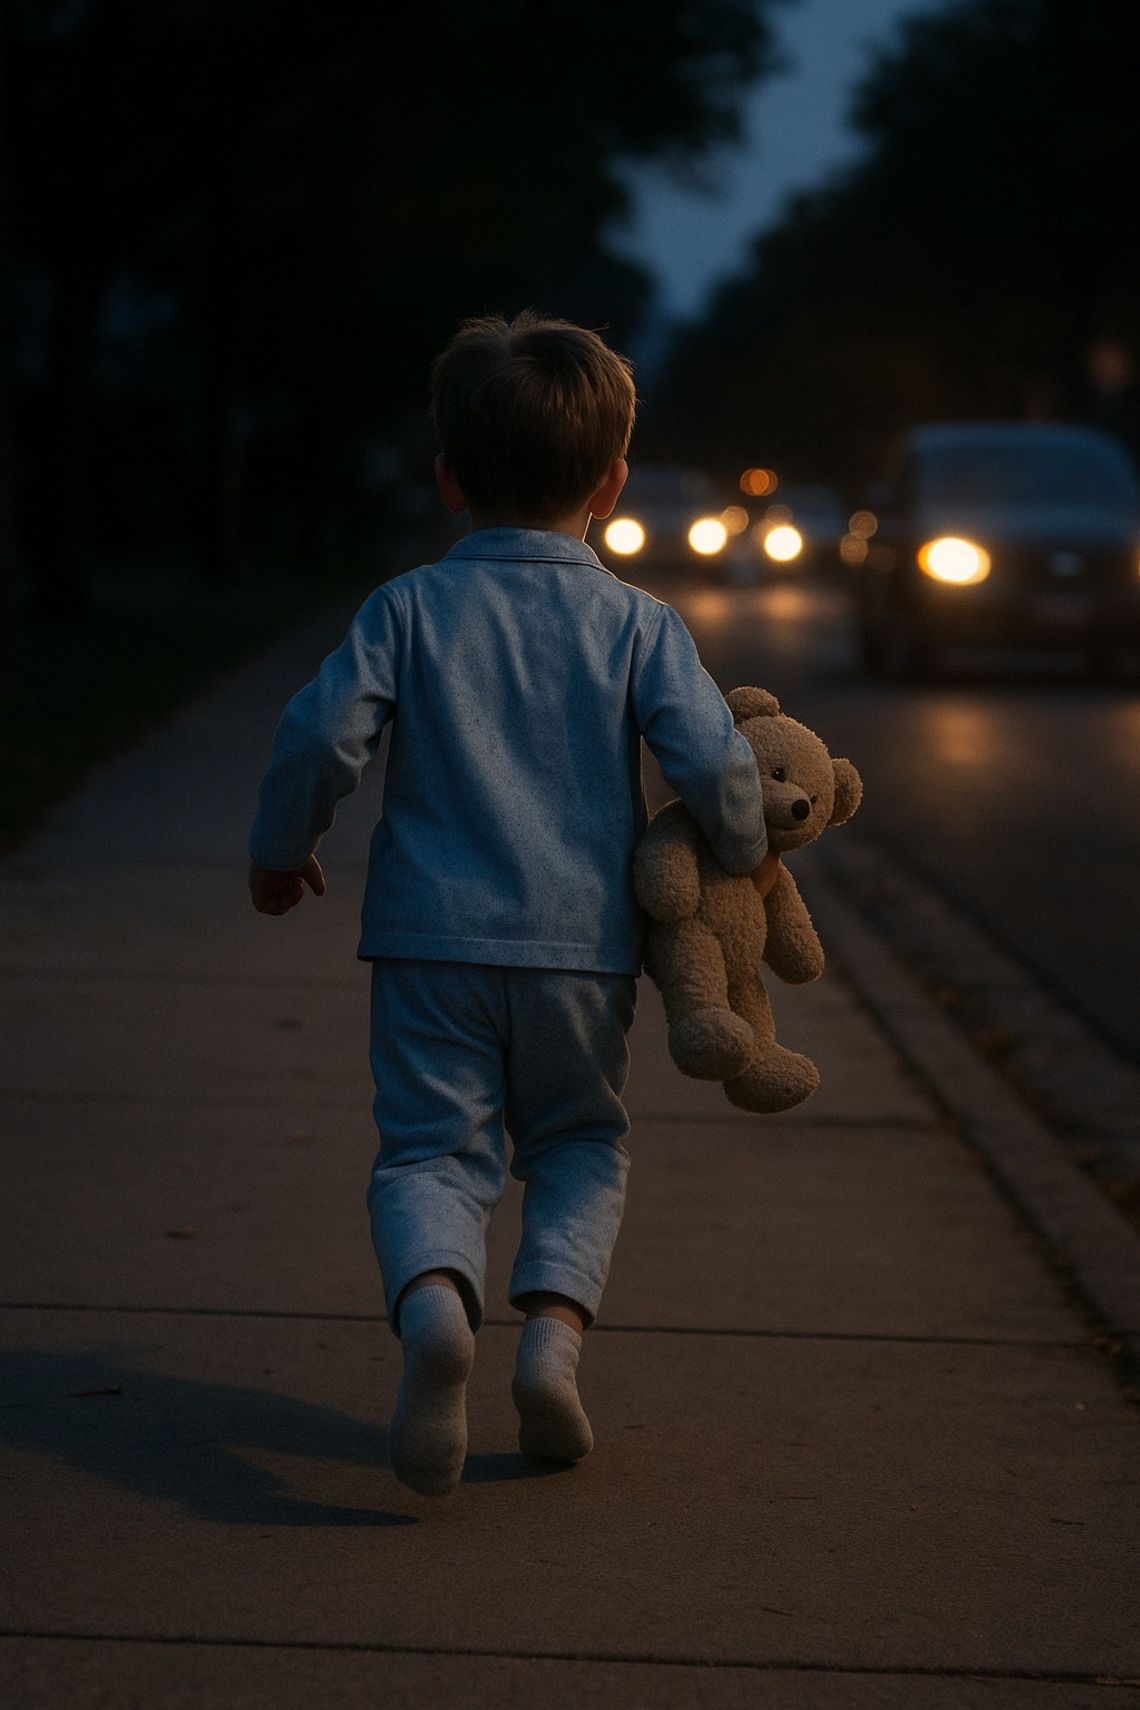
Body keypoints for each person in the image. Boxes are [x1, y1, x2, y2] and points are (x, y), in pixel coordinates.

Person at [247, 311, 773, 1498]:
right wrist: (741, 848)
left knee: (432, 1151)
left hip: (431, 943)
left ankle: (437, 1306)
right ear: (612, 483)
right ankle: (551, 1342)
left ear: (446, 481)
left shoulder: (405, 610)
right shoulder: (638, 624)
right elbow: (712, 763)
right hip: (583, 953)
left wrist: (283, 849)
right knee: (580, 1144)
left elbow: (321, 731)